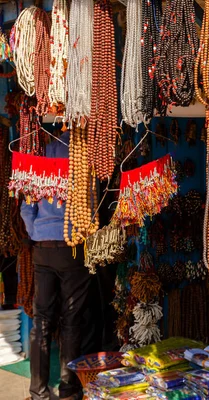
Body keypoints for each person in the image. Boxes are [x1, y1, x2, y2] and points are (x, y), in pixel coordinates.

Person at [21, 131, 90, 400]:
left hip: (42, 247)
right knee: (71, 319)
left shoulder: (41, 154)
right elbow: (90, 207)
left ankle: (38, 392)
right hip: (71, 246)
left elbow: (27, 207)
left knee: (41, 321)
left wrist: (37, 231)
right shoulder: (83, 156)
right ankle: (69, 390)